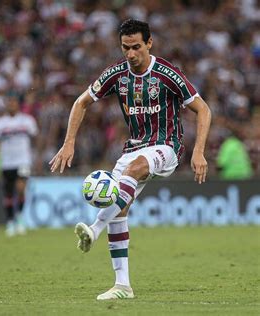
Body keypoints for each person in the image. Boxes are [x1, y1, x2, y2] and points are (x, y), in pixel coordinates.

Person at [49, 19, 211, 300]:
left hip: (166, 146)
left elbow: (203, 109)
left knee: (133, 171)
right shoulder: (116, 74)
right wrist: (68, 142)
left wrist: (198, 151)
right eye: (126, 48)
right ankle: (122, 285)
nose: (131, 53)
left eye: (136, 47)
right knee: (119, 208)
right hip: (134, 147)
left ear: (149, 43)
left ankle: (94, 229)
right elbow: (81, 102)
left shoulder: (167, 74)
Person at [0, 95, 38, 237]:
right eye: (9, 102)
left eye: (14, 102)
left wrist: (36, 157)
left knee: (20, 188)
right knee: (8, 193)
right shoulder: (0, 123)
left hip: (23, 160)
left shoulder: (27, 121)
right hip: (6, 162)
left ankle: (19, 218)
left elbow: (35, 138)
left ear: (18, 104)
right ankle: (10, 222)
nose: (11, 105)